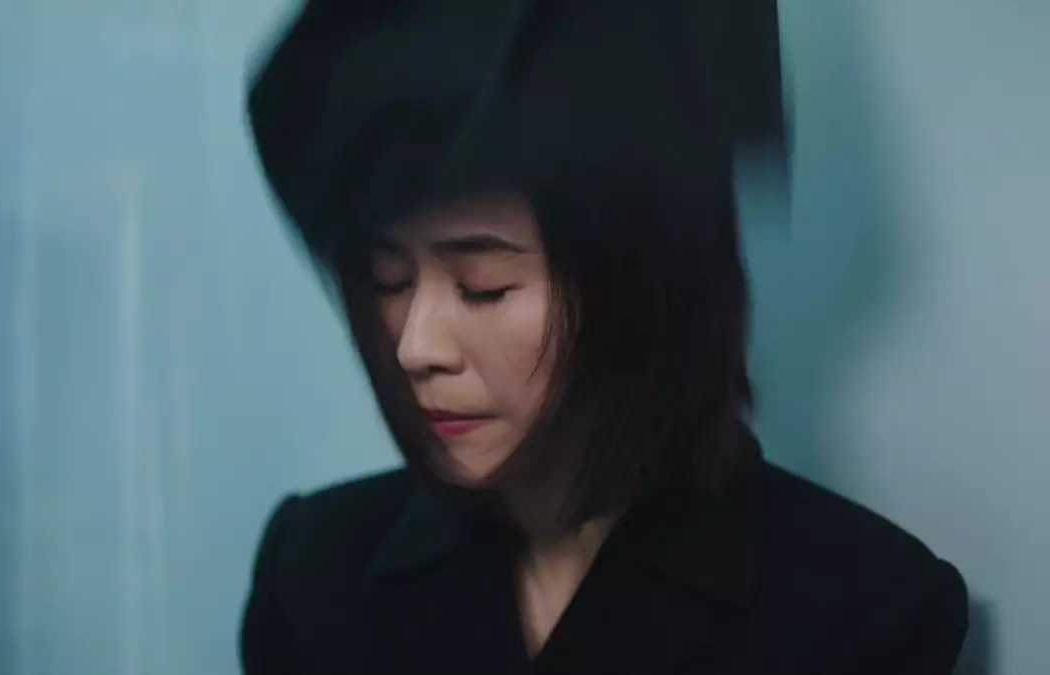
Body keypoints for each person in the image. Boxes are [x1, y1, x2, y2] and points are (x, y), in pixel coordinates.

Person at [240, 0, 969, 673]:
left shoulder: (866, 612)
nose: (416, 348)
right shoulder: (314, 570)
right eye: (389, 282)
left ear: (642, 291)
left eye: (484, 286)